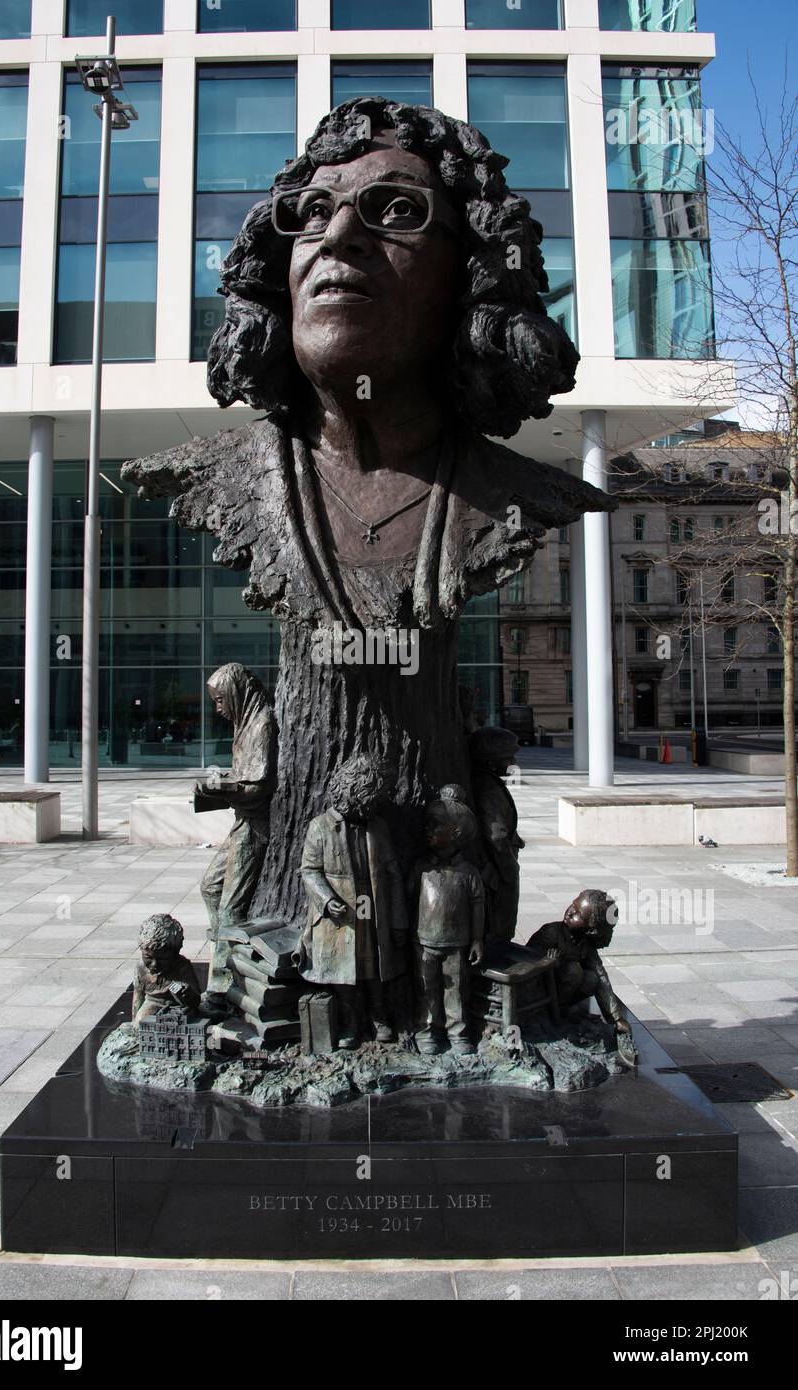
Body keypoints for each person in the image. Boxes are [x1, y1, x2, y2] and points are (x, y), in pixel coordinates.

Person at [123, 97, 613, 920]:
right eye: (310, 213)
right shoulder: (212, 478)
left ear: (473, 271)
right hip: (288, 900)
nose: (338, 238)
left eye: (395, 212)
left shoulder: (520, 500)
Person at [298, 755, 408, 1049]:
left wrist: (398, 918)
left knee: (371, 957)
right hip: (339, 909)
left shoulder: (378, 827)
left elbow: (393, 874)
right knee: (343, 966)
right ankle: (349, 1020)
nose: (374, 807)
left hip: (369, 900)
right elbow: (309, 871)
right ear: (355, 795)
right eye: (370, 800)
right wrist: (326, 899)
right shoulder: (320, 827)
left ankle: (378, 1014)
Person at [195, 664, 276, 1016]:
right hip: (241, 825)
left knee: (230, 906)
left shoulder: (263, 724)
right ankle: (225, 956)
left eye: (219, 700)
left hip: (255, 829)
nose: (218, 708)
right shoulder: (245, 724)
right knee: (210, 888)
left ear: (235, 693)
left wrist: (220, 786)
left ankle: (223, 985)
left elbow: (258, 787)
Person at [407, 788, 484, 1056]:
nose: (428, 829)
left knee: (457, 991)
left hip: (457, 943)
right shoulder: (420, 868)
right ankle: (428, 1030)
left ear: (456, 832)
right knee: (426, 989)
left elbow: (477, 906)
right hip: (423, 941)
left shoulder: (468, 873)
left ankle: (458, 1032)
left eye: (436, 825)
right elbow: (406, 900)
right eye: (427, 823)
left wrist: (476, 939)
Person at [527, 890, 638, 1065]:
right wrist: (547, 961)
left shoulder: (586, 945)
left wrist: (616, 1019)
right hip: (539, 992)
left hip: (562, 994)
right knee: (574, 970)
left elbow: (601, 977)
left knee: (592, 979)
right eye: (573, 904)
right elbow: (526, 960)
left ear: (591, 930)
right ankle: (552, 1016)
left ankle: (563, 1012)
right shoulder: (551, 932)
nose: (570, 911)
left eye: (578, 914)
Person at [469, 726, 524, 940]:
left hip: (497, 868)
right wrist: (510, 870)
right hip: (496, 872)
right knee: (500, 922)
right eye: (508, 756)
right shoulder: (487, 788)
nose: (513, 763)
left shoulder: (487, 782)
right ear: (491, 760)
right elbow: (497, 836)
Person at [132, 914, 201, 1024]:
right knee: (140, 1023)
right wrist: (134, 1021)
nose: (154, 964)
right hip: (153, 1002)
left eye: (163, 959)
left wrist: (187, 992)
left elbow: (197, 999)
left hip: (179, 1006)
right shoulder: (141, 967)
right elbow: (138, 996)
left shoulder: (182, 966)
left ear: (175, 954)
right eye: (148, 957)